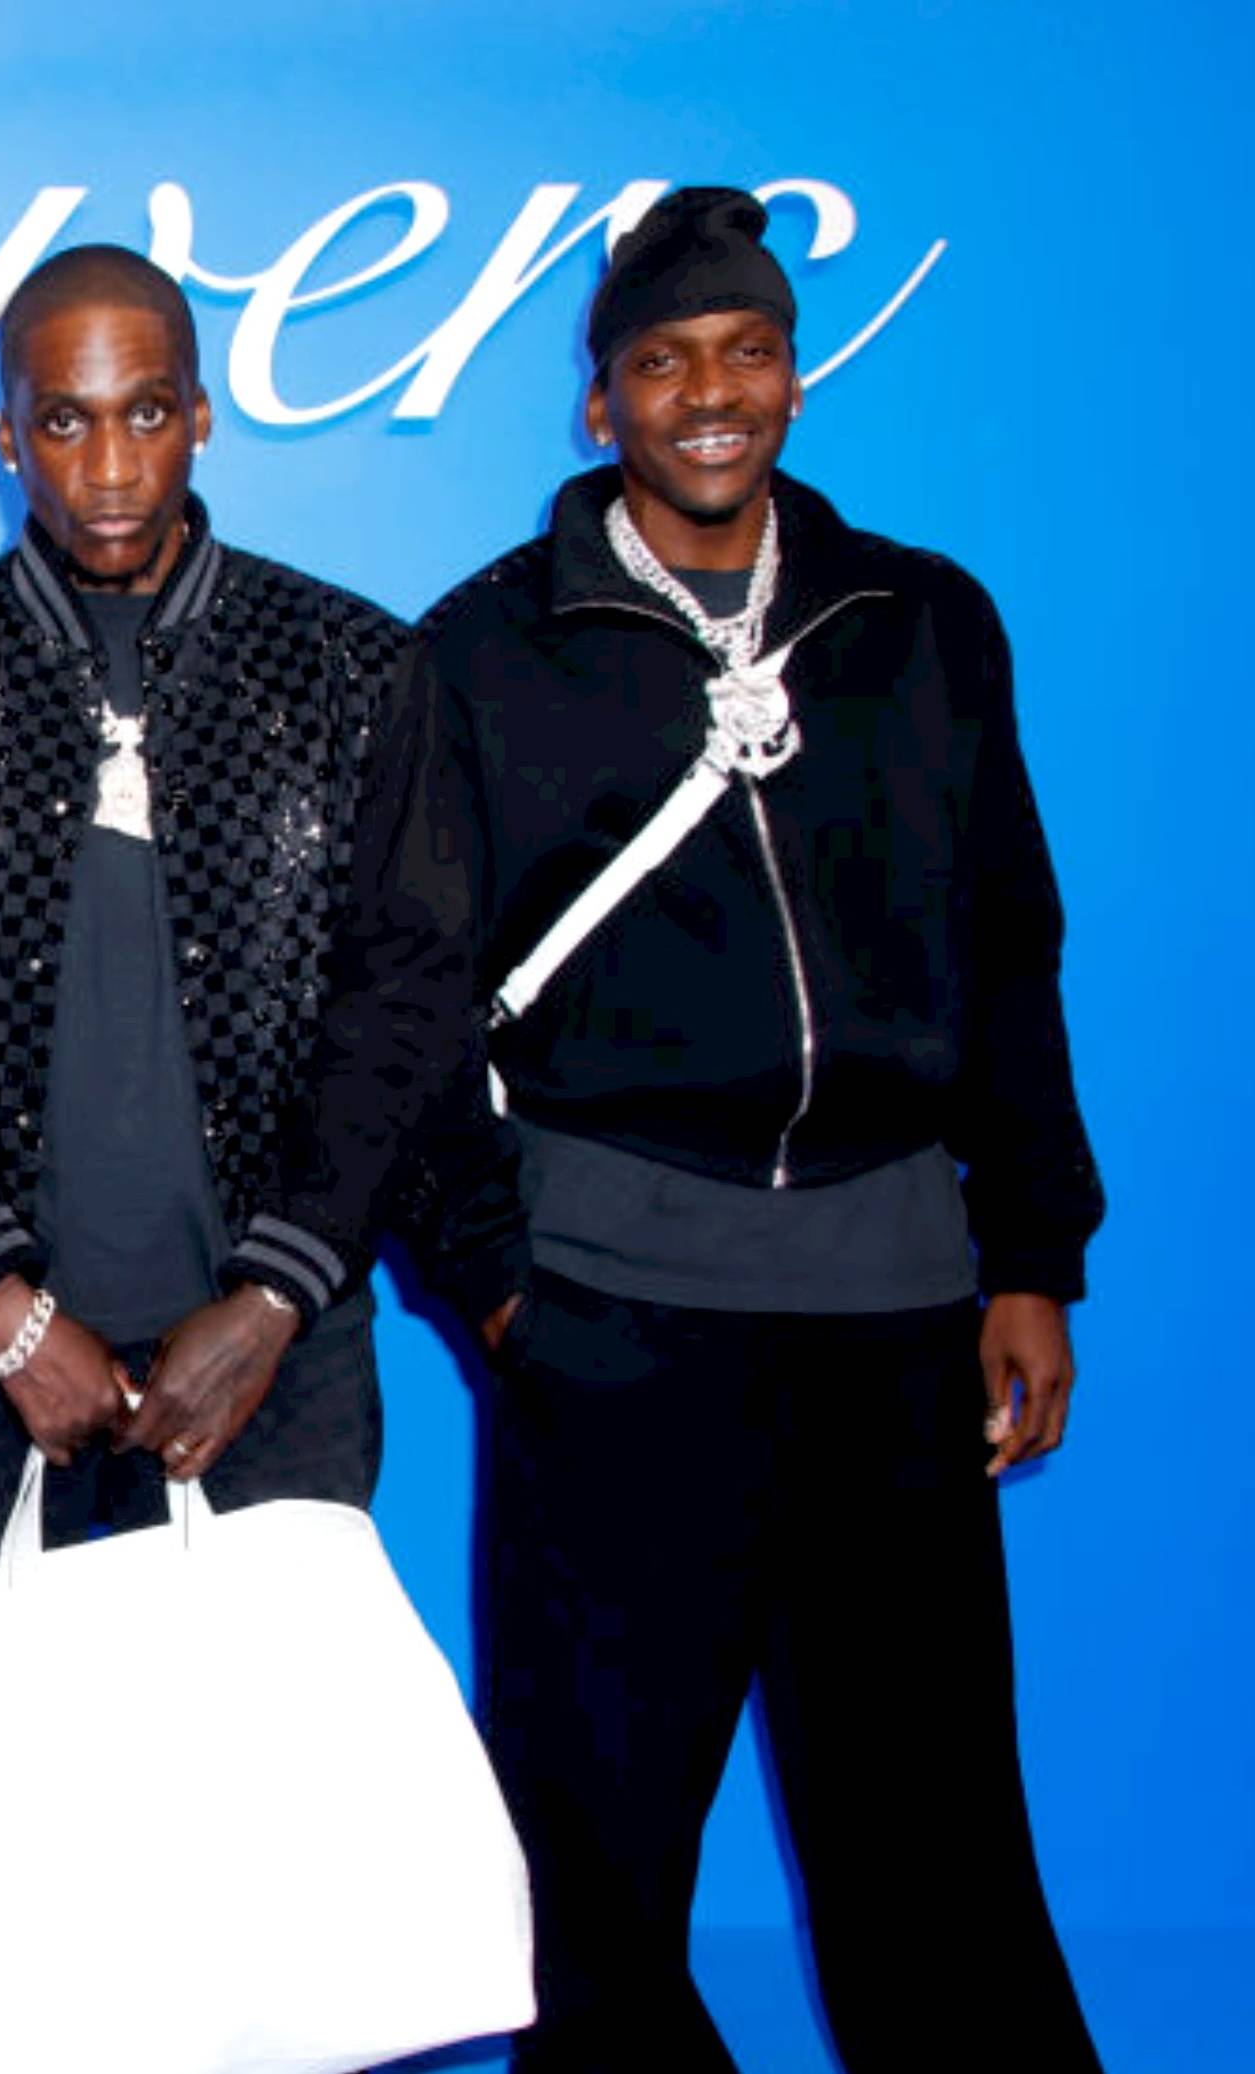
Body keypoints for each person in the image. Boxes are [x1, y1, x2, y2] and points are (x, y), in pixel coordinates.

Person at [0, 244, 515, 2070]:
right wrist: (5, 1313)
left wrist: (274, 1295)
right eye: (64, 422)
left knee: (258, 1870)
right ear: (4, 434)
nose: (108, 465)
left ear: (201, 414)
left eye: (146, 412)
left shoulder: (356, 673)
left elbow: (409, 1008)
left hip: (268, 1355)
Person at [410, 187, 1108, 2069]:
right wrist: (493, 1278)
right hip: (614, 1313)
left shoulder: (921, 622)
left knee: (930, 1831)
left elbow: (1008, 943)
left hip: (892, 1310)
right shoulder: (481, 653)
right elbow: (405, 1001)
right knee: (594, 1850)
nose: (706, 393)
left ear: (795, 378)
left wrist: (1029, 1253)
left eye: (743, 352)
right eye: (660, 361)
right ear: (600, 403)